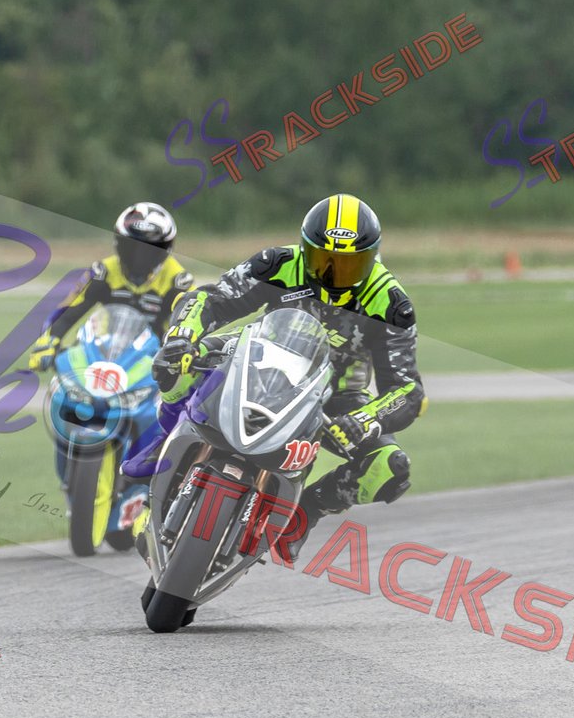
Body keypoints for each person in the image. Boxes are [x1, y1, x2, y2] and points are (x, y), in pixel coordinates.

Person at [131, 193, 425, 528]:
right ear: (305, 248)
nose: (333, 273)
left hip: (334, 394)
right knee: (174, 363)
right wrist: (182, 338)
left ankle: (304, 515)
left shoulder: (391, 303)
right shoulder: (277, 262)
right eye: (323, 259)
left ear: (372, 258)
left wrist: (364, 419)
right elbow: (211, 299)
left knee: (390, 468)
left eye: (349, 264)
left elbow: (407, 389)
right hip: (257, 359)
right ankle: (164, 443)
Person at [24, 202, 195, 372]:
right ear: (118, 243)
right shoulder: (102, 272)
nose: (139, 258)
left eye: (150, 251)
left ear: (166, 250)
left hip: (153, 364)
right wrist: (48, 342)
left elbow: (193, 322)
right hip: (101, 358)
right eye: (131, 248)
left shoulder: (179, 281)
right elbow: (67, 312)